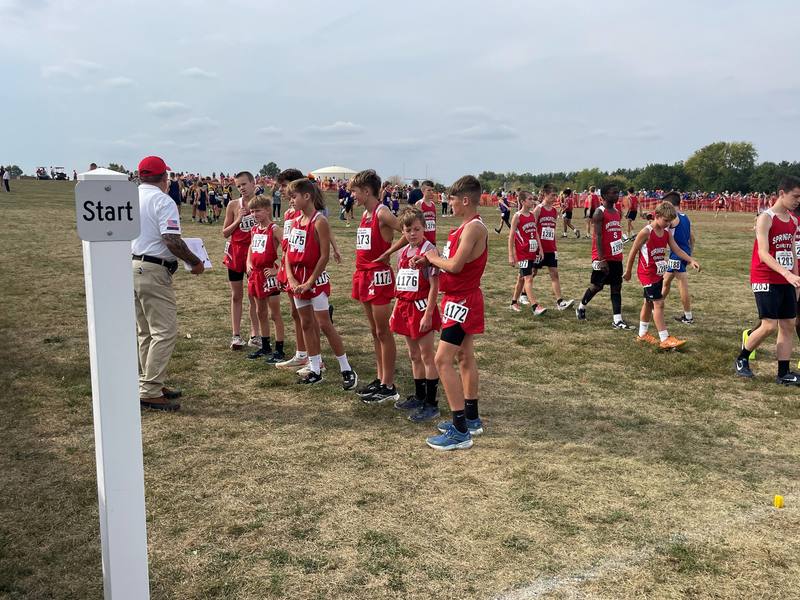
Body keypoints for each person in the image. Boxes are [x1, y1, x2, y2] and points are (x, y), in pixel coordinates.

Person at [410, 175, 487, 451]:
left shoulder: (474, 229)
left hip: (462, 302)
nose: (448, 203)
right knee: (465, 357)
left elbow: (454, 265)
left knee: (442, 360)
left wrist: (431, 258)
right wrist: (428, 261)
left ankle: (460, 429)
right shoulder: (465, 227)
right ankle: (472, 418)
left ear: (465, 200)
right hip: (458, 299)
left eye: (452, 199)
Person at [131, 156, 204, 411]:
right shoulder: (163, 200)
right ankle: (150, 389)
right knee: (164, 331)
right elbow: (171, 240)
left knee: (146, 331)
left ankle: (150, 381)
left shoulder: (131, 197)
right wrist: (195, 261)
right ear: (164, 178)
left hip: (132, 264)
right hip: (153, 268)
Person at [284, 178, 357, 389]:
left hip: (314, 279)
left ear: (306, 196)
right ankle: (315, 368)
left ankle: (346, 367)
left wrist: (310, 281)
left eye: (293, 196)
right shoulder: (296, 220)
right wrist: (290, 278)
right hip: (298, 279)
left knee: (324, 323)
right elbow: (288, 252)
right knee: (306, 322)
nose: (291, 200)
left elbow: (324, 256)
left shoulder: (319, 221)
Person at [736, 176, 800, 385]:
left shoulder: (793, 220)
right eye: (795, 196)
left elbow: (791, 252)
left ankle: (783, 373)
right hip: (764, 276)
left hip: (786, 279)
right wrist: (786, 273)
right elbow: (763, 253)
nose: (798, 200)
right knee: (769, 325)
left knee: (788, 324)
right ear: (782, 193)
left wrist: (795, 278)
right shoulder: (766, 218)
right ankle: (742, 358)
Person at [350, 169, 402, 404]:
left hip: (378, 277)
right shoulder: (365, 214)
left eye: (355, 191)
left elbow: (407, 229)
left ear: (367, 191)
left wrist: (389, 251)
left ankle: (389, 385)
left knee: (383, 331)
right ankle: (380, 378)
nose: (352, 195)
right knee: (375, 332)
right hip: (363, 275)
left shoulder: (382, 213)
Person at [389, 207, 442, 423]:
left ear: (424, 228)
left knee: (427, 355)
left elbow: (434, 286)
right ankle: (419, 396)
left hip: (421, 309)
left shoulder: (430, 251)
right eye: (408, 229)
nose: (412, 233)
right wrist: (395, 309)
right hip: (405, 308)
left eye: (417, 229)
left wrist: (428, 313)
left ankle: (431, 403)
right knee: (413, 355)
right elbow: (402, 285)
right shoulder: (403, 253)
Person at [624, 201, 700, 350]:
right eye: (665, 221)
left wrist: (691, 260)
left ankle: (642, 334)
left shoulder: (666, 233)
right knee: (659, 303)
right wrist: (627, 271)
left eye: (669, 222)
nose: (667, 224)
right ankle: (664, 338)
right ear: (656, 216)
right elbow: (633, 251)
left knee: (648, 302)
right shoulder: (646, 232)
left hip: (657, 273)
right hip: (647, 273)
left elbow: (677, 249)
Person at [575, 182, 631, 329]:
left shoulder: (617, 211)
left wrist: (622, 239)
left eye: (618, 192)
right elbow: (598, 236)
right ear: (605, 195)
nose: (617, 195)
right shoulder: (599, 212)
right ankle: (581, 307)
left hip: (616, 256)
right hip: (602, 257)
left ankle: (617, 320)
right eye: (614, 192)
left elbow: (614, 231)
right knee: (597, 286)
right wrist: (601, 259)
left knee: (616, 287)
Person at [245, 194, 286, 363]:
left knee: (274, 313)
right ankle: (265, 345)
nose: (254, 214)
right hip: (255, 275)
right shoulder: (255, 229)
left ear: (268, 210)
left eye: (258, 211)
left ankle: (280, 348)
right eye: (252, 211)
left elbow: (288, 249)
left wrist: (277, 269)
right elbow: (251, 247)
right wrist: (248, 262)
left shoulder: (274, 229)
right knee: (260, 311)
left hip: (269, 276)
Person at [223, 172, 260, 350]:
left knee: (255, 295)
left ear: (254, 183)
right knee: (236, 295)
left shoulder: (261, 204)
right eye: (238, 186)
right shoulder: (232, 205)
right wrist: (239, 218)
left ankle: (255, 334)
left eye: (244, 184)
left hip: (255, 253)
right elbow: (225, 232)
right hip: (236, 253)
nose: (242, 188)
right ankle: (236, 335)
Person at [532, 184, 574, 310]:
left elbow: (551, 229)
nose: (555, 197)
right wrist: (535, 246)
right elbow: (532, 228)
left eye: (556, 195)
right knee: (532, 272)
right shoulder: (538, 209)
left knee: (554, 274)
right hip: (539, 248)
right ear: (545, 195)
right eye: (552, 195)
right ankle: (523, 294)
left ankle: (560, 302)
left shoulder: (555, 211)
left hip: (551, 247)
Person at [507, 191, 546, 315]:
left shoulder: (532, 215)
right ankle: (535, 306)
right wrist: (511, 255)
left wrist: (540, 248)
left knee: (521, 278)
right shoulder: (517, 216)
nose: (532, 201)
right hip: (522, 252)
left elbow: (536, 233)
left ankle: (513, 302)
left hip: (532, 251)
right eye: (529, 199)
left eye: (532, 199)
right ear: (523, 201)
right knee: (528, 278)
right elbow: (511, 237)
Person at [661, 191, 696, 324]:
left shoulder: (673, 218)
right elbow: (692, 238)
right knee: (666, 281)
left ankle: (688, 317)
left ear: (669, 204)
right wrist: (689, 255)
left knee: (682, 285)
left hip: (677, 255)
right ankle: (656, 306)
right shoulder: (685, 217)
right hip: (681, 254)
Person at [415, 179, 438, 244]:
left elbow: (434, 222)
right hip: (423, 239)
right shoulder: (419, 204)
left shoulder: (433, 204)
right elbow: (417, 223)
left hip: (432, 239)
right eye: (429, 190)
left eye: (432, 190)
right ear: (423, 191)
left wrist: (434, 239)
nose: (431, 192)